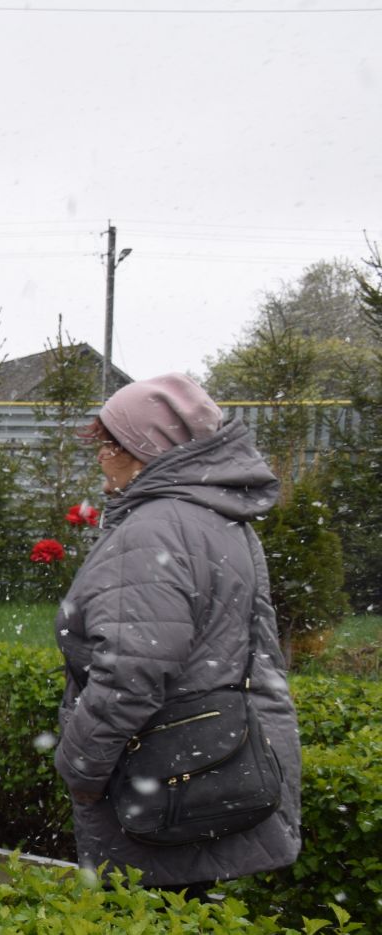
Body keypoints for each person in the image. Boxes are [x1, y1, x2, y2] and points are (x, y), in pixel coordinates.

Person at [55, 372, 301, 891]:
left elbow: (130, 677)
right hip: (209, 763)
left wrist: (79, 766)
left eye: (109, 443)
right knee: (189, 930)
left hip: (161, 776)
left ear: (145, 449)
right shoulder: (220, 518)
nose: (100, 456)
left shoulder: (154, 531)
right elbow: (260, 654)